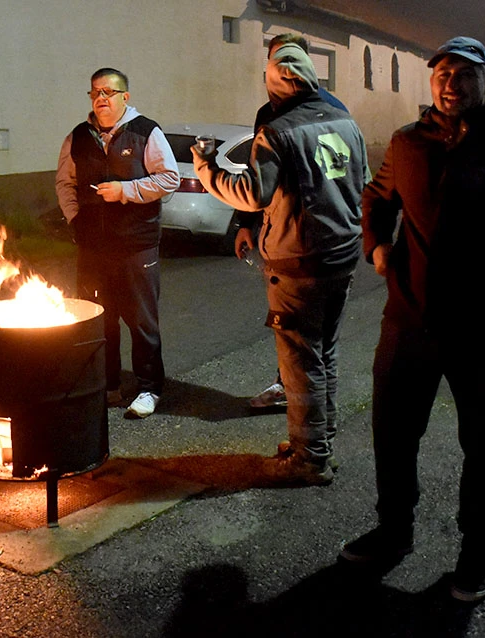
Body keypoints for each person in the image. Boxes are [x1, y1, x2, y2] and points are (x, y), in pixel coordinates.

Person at [338, 37, 485, 603]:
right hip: (408, 322)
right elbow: (376, 197)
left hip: (483, 331)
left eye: (463, 74)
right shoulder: (408, 141)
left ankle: (473, 554)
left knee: (483, 446)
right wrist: (378, 248)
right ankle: (394, 530)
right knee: (393, 438)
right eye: (441, 73)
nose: (449, 83)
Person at [194, 44, 369, 485]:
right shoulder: (346, 122)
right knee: (323, 354)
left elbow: (252, 193)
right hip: (342, 254)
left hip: (299, 261)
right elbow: (361, 184)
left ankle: (308, 461)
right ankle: (319, 444)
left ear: (273, 84)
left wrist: (205, 170)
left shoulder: (278, 130)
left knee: (300, 362)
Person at [55, 68, 179, 419]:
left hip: (136, 243)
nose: (101, 98)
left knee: (141, 320)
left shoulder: (145, 131)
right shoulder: (78, 137)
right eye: (95, 92)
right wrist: (75, 219)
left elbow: (169, 178)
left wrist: (126, 191)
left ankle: (149, 388)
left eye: (109, 92)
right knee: (99, 319)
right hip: (93, 246)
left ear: (126, 97)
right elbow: (65, 183)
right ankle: (107, 385)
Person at [240, 33, 350, 411]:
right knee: (317, 347)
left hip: (302, 248)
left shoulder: (328, 110)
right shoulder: (268, 113)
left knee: (303, 345)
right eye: (274, 62)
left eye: (287, 61)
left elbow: (255, 188)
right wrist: (246, 224)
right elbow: (260, 176)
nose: (281, 71)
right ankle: (312, 424)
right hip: (329, 246)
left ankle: (310, 451)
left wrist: (207, 169)